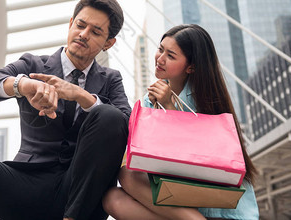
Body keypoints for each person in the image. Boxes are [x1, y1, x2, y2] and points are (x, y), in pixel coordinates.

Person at [0, 0, 131, 220]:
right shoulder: (33, 65)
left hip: (80, 194)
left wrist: (81, 96)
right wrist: (21, 84)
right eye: (80, 25)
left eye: (95, 32)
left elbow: (125, 123)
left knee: (109, 116)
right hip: (26, 185)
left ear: (108, 43)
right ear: (70, 24)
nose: (83, 34)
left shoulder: (111, 80)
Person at [102, 24, 259, 220]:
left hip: (219, 206)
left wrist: (170, 108)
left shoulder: (206, 99)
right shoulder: (146, 103)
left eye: (171, 55)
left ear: (191, 66)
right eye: (160, 49)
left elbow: (205, 157)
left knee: (127, 178)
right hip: (175, 199)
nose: (160, 59)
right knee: (114, 196)